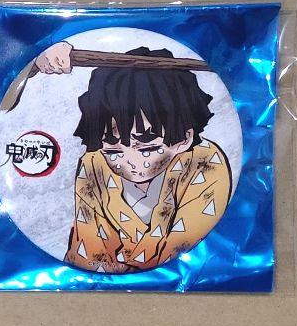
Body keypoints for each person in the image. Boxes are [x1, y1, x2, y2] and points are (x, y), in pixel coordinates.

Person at [33, 41, 232, 271]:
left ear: (183, 139)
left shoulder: (205, 163)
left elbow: (185, 250)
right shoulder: (95, 164)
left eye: (146, 149)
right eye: (113, 151)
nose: (129, 163)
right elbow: (88, 251)